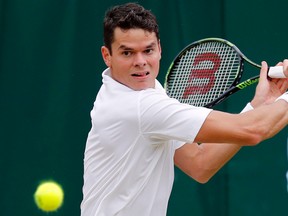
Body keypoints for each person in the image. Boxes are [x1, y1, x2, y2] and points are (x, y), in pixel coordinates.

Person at [80, 3, 288, 216]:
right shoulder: (141, 107)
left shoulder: (141, 92)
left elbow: (199, 163)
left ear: (159, 48)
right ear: (107, 56)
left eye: (148, 50)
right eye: (127, 53)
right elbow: (254, 130)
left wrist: (258, 105)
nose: (140, 62)